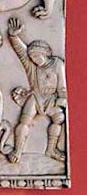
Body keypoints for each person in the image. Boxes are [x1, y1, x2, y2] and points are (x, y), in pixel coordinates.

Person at [7, 17, 67, 164]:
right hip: (35, 97)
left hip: (51, 99)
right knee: (24, 122)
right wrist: (13, 36)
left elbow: (62, 86)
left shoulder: (57, 64)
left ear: (44, 54)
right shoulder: (32, 67)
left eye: (36, 56)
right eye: (32, 57)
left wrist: (62, 100)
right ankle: (18, 151)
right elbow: (21, 51)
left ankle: (51, 149)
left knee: (59, 119)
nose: (33, 59)